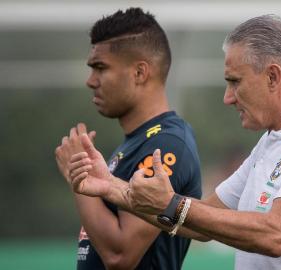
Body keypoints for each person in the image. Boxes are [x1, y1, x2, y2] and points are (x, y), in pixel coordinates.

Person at [67, 14, 281, 269]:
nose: (228, 98)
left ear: (272, 76)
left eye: (235, 82)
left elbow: (276, 235)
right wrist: (110, 187)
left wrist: (173, 204)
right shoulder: (273, 142)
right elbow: (196, 221)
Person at [54, 7, 202, 270]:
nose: (91, 81)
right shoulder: (136, 142)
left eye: (100, 68)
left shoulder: (165, 144)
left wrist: (78, 178)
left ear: (139, 73)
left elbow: (121, 255)